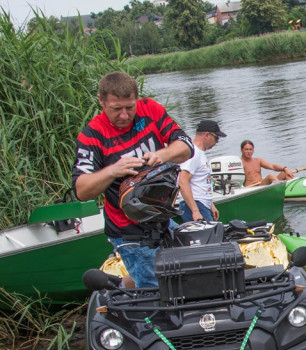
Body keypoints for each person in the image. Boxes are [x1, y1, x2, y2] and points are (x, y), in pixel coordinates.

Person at [72, 71, 192, 288]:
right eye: (116, 109)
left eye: (130, 107)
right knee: (156, 289)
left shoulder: (150, 110)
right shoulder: (92, 135)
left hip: (161, 216)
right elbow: (81, 190)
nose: (125, 115)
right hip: (128, 228)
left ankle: (120, 287)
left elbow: (186, 146)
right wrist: (112, 171)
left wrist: (161, 155)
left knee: (188, 268)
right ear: (101, 101)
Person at [177, 120, 225, 223]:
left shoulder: (199, 154)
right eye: (217, 138)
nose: (217, 142)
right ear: (207, 135)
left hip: (202, 204)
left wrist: (210, 204)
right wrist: (195, 211)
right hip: (195, 205)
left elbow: (200, 182)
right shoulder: (193, 153)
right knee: (209, 238)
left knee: (212, 236)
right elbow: (182, 181)